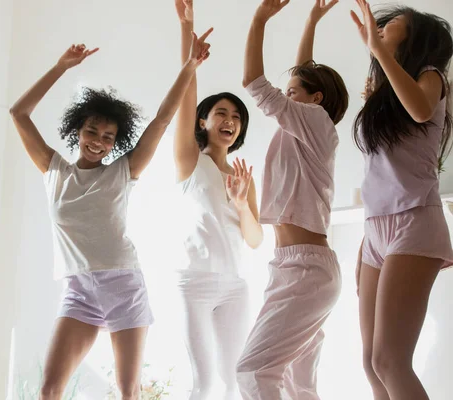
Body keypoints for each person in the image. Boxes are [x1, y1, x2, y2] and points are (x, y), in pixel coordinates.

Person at [9, 33, 212, 400]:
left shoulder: (122, 171)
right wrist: (61, 67)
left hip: (123, 286)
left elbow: (164, 119)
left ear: (114, 143)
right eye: (91, 131)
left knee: (127, 391)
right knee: (49, 390)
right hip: (78, 291)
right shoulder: (55, 171)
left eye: (107, 136)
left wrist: (190, 68)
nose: (98, 141)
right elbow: (18, 113)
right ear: (78, 131)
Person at [236, 0, 349, 398]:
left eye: (291, 92)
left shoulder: (315, 121)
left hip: (306, 270)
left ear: (315, 99)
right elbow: (305, 73)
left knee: (254, 372)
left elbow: (253, 81)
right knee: (296, 383)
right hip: (294, 267)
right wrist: (312, 19)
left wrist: (259, 19)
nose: (283, 98)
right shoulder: (306, 126)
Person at [351, 1, 453, 399]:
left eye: (395, 23)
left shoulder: (432, 78)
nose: (386, 25)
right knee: (371, 363)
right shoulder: (384, 92)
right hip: (376, 229)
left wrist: (378, 52)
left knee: (390, 360)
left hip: (414, 220)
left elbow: (419, 107)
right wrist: (367, 239)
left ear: (415, 39)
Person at [173, 1, 263, 398]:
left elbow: (256, 240)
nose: (229, 121)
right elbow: (183, 100)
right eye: (220, 113)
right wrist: (187, 36)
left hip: (235, 287)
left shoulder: (242, 177)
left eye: (236, 117)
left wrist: (242, 203)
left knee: (234, 381)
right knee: (204, 382)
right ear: (203, 121)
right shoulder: (190, 162)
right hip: (194, 283)